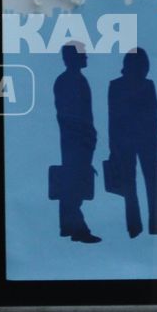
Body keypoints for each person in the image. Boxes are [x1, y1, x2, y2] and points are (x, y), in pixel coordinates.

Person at [107, 48, 157, 241]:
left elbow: (151, 116)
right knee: (137, 184)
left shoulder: (130, 86)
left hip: (137, 141)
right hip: (133, 141)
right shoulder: (130, 86)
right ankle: (141, 228)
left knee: (143, 184)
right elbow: (115, 118)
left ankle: (143, 228)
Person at [52, 43, 100, 243]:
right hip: (77, 140)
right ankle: (77, 227)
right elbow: (73, 115)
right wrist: (87, 136)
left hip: (77, 139)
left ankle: (69, 226)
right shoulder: (71, 81)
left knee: (73, 182)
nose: (86, 58)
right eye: (83, 55)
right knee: (74, 183)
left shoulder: (72, 80)